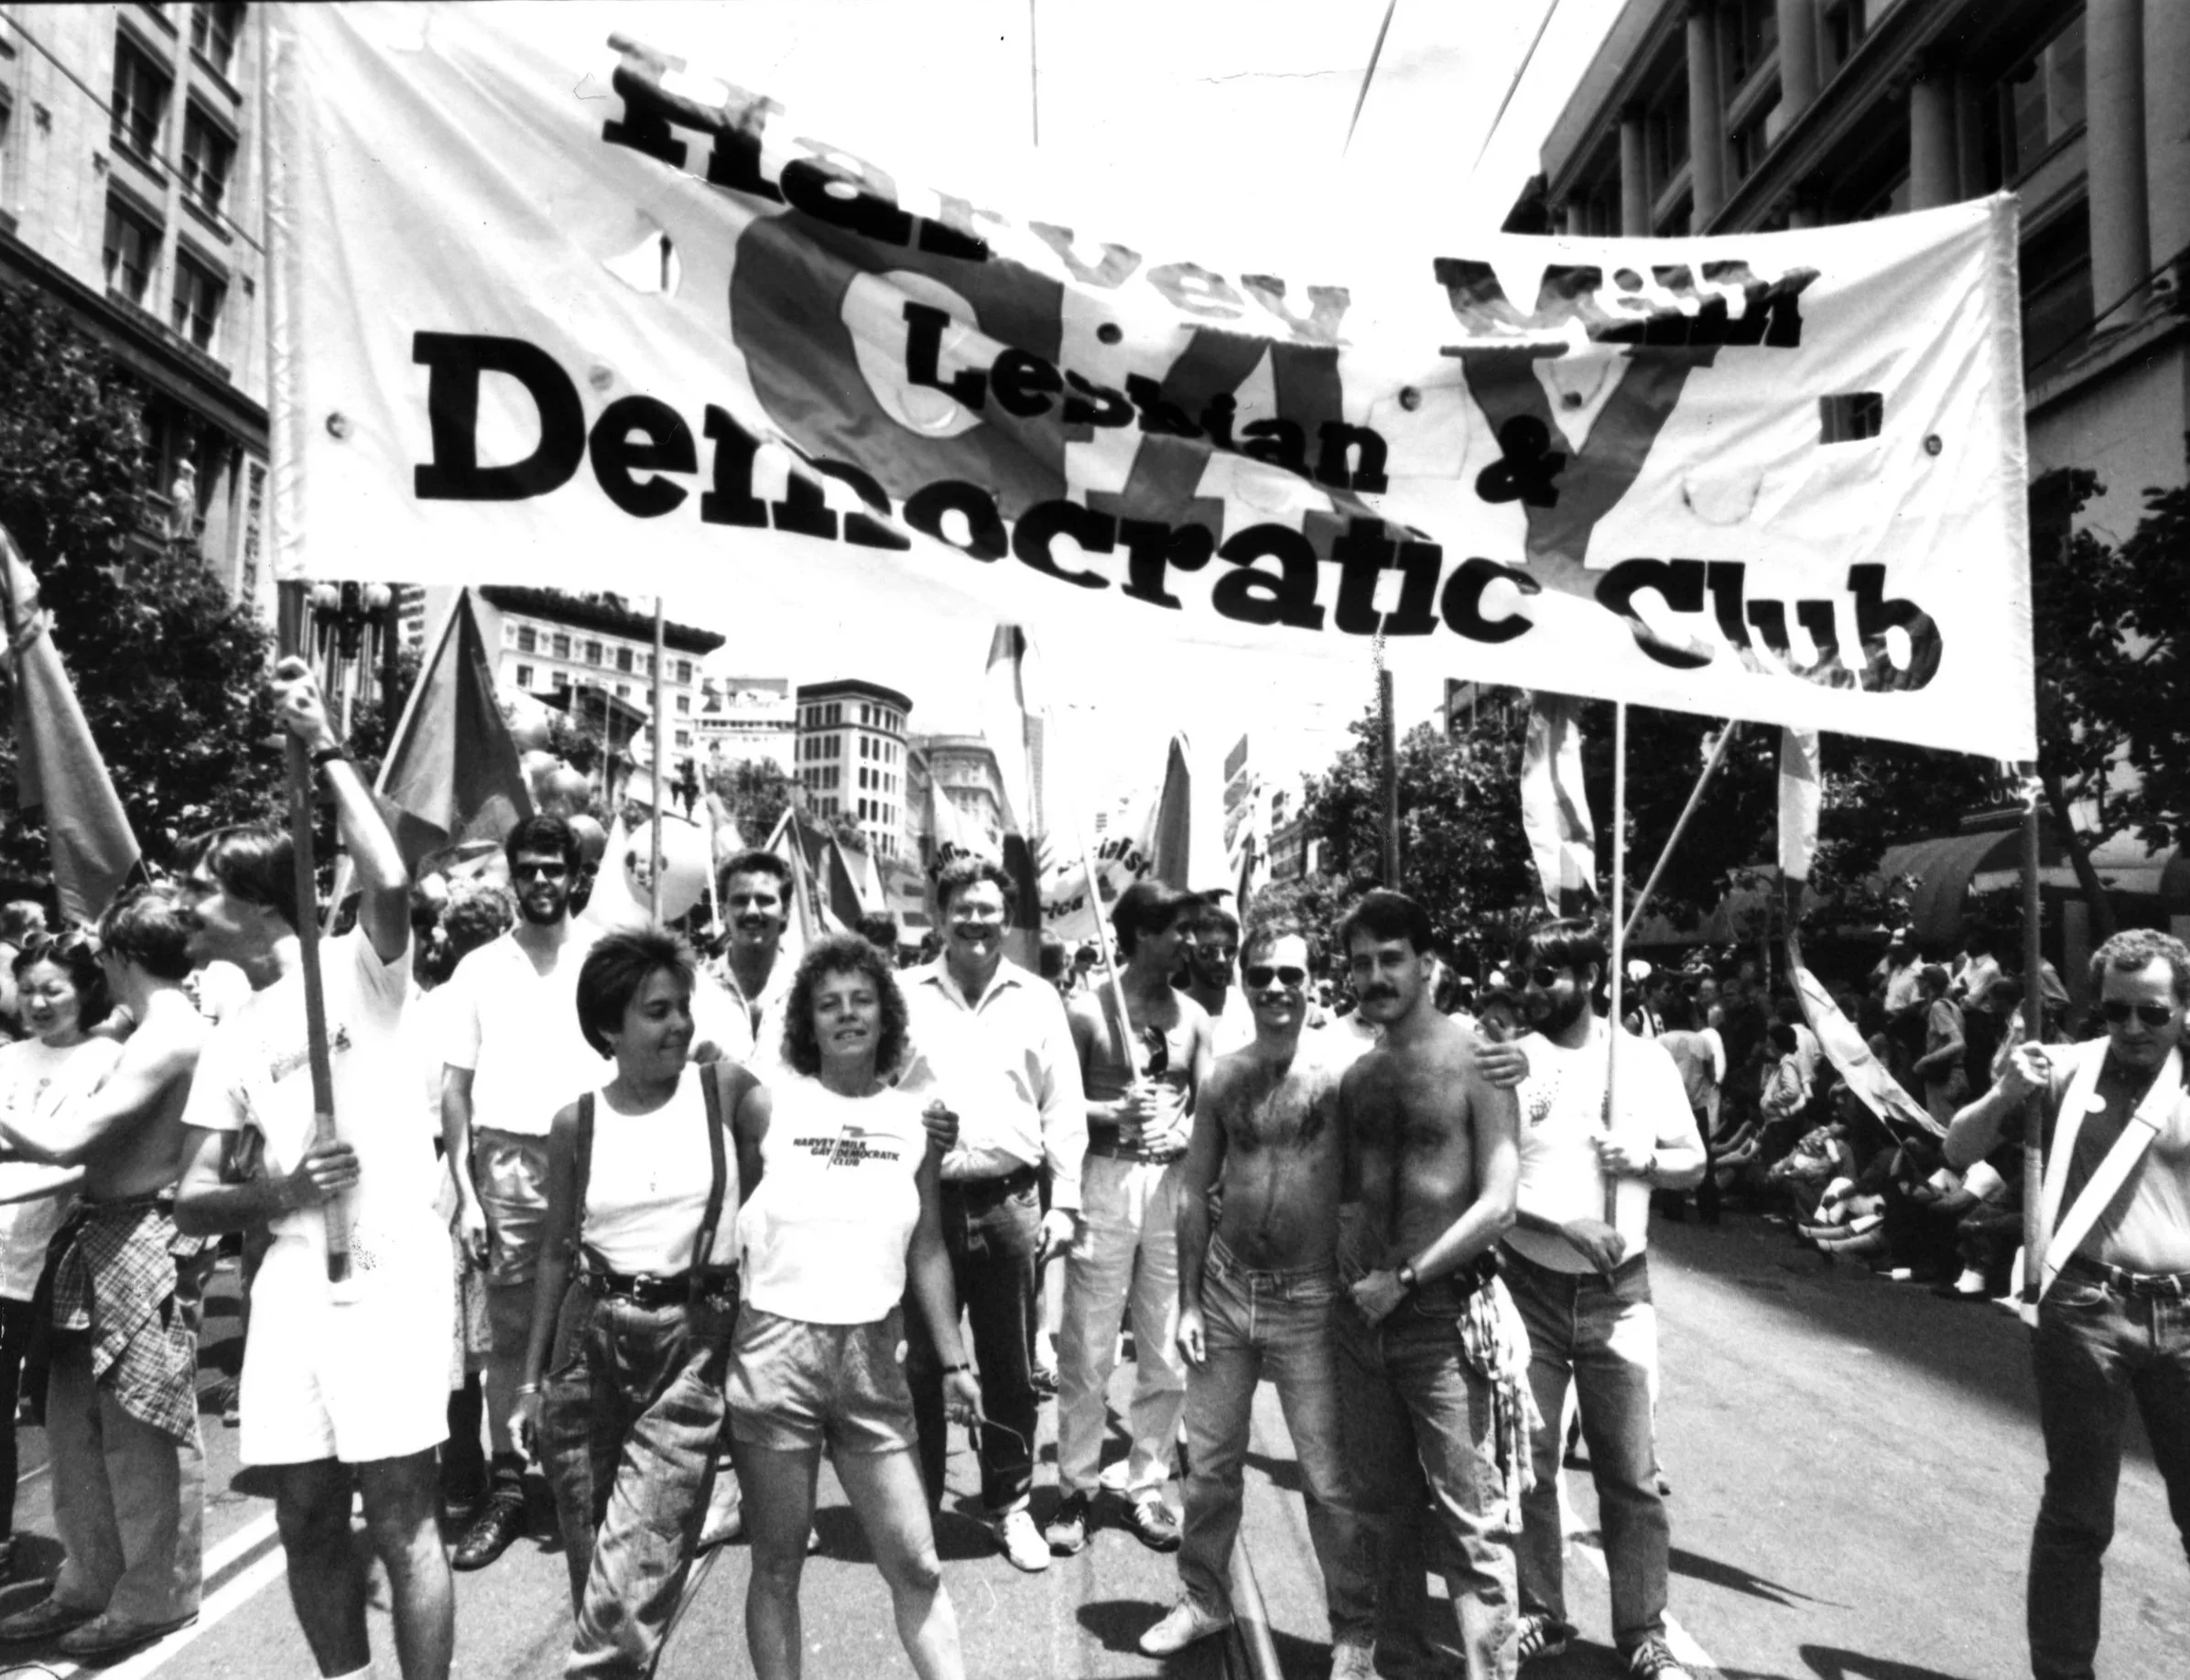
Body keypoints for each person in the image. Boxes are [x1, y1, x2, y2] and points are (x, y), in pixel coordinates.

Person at [171, 658, 454, 1680]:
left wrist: (324, 740)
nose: (189, 904)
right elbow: (193, 1199)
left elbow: (387, 878)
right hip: (292, 1272)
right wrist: (285, 1191)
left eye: (206, 888)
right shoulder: (229, 1033)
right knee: (300, 1508)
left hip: (386, 1264)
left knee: (399, 1510)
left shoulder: (358, 968)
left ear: (258, 899)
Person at [504, 930, 761, 1677]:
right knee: (598, 1582)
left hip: (690, 1344)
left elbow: (807, 1135)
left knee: (625, 1591)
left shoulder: (727, 1089)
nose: (679, 1024)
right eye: (657, 1011)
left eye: (683, 1007)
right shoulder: (574, 1121)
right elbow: (555, 1252)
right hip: (589, 1346)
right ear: (609, 1027)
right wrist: (530, 1383)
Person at [728, 934, 981, 1680]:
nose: (846, 1015)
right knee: (777, 1564)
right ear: (806, 1020)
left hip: (874, 1354)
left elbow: (928, 1245)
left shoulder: (917, 1120)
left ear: (886, 1014)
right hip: (777, 1348)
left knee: (918, 1561)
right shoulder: (765, 1105)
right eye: (828, 1003)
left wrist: (955, 1358)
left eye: (861, 1000)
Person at [1944, 927, 2190, 1680]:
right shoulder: (2067, 1070)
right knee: (2079, 1513)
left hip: (2184, 1317)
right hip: (2087, 1306)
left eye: (2152, 1013)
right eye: (2117, 1012)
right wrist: (2005, 1091)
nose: (2133, 1030)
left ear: (2184, 1008)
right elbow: (1958, 1149)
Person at [1141, 917, 1375, 1674]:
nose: (1277, 987)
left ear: (1316, 981)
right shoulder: (1226, 1077)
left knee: (1330, 1479)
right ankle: (1204, 1598)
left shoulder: (1345, 1075)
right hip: (1225, 1293)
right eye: (1263, 974)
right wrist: (1185, 1304)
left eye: (1291, 974)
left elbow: (1369, 1191)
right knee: (1209, 1467)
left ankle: (1355, 1632)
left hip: (1313, 1302)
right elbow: (1191, 1194)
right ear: (1243, 980)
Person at [0, 894, 212, 1660]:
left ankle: (154, 1594)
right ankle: (88, 1580)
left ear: (120, 960)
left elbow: (65, 1145)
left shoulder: (169, 1035)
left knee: (140, 1429)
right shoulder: (142, 1028)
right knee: (74, 1426)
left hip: (142, 1234)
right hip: (95, 1234)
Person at [1330, 890, 1528, 1680]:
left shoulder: (1480, 1059)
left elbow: (1500, 1202)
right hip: (1365, 1322)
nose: (1375, 975)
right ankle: (1402, 1665)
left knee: (1472, 1523)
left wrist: (1405, 1277)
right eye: (1360, 962)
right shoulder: (1360, 1076)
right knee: (1385, 1515)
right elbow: (1349, 1197)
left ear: (1427, 965)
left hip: (1442, 1318)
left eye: (1390, 958)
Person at [1505, 918, 1705, 1680]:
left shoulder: (1644, 1061)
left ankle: (1643, 1631)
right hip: (1528, 1288)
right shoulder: (1514, 1063)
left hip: (1621, 1294)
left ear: (1590, 978)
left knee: (1630, 1471)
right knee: (1530, 1462)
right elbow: (1490, 1189)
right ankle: (1540, 1613)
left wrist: (1645, 1158)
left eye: (1548, 974)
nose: (1531, 988)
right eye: (1525, 973)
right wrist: (1560, 1223)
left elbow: (1694, 1162)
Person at [895, 857, 1085, 1572]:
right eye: (962, 909)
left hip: (1011, 1203)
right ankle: (917, 1512)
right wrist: (912, 1125)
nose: (975, 921)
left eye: (987, 909)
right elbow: (871, 1086)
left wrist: (1064, 1202)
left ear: (1004, 917)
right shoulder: (903, 992)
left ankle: (1008, 1505)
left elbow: (1062, 1106)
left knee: (1009, 1366)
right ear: (940, 916)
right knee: (920, 1363)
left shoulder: (1038, 998)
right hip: (924, 1207)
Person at [438, 815, 604, 1571]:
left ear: (576, 875)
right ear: (513, 875)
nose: (541, 881)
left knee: (597, 1317)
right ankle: (508, 1483)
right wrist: (469, 1196)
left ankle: (590, 1472)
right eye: (528, 869)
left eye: (554, 869)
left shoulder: (606, 958)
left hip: (598, 1154)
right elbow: (455, 1090)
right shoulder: (478, 968)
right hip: (505, 1164)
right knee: (508, 1331)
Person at [1052, 883, 1213, 1555]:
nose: (1192, 941)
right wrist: (1110, 1112)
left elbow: (1209, 1104)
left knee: (1168, 1344)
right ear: (1142, 933)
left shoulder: (1195, 1017)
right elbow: (1056, 1103)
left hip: (1172, 1185)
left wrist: (1188, 1137)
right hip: (1107, 1178)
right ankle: (1075, 1488)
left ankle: (1145, 1481)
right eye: (1179, 929)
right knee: (1089, 1343)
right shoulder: (1087, 1010)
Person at [0, 936, 124, 1605]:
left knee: (49, 1413)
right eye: (29, 989)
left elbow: (81, 1164)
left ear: (86, 990)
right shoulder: (7, 1057)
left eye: (53, 988)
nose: (39, 1002)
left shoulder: (106, 1059)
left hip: (47, 1261)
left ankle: (82, 1559)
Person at [709, 850, 798, 1069]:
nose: (751, 911)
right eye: (740, 901)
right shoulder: (694, 990)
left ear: (786, 911)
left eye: (764, 900)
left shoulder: (809, 989)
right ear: (723, 912)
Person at [1180, 901, 1255, 1056]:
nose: (1221, 959)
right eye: (1209, 951)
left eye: (1229, 951)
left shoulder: (1246, 1008)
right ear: (1187, 952)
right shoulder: (1174, 1013)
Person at [1912, 964, 1968, 1129]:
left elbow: (1958, 1043)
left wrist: (1925, 1061)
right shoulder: (1953, 1006)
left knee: (1943, 1132)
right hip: (1957, 1074)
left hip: (1945, 1078)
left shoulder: (1938, 1007)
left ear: (1927, 983)